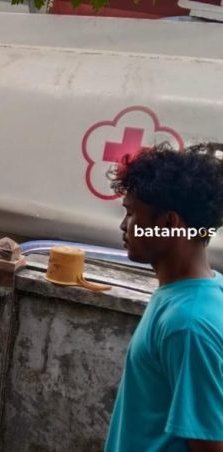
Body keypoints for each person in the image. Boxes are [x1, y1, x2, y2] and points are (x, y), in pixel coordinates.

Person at [105, 142, 223, 452]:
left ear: (169, 224)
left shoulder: (187, 325)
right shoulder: (199, 292)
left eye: (131, 213)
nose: (124, 225)